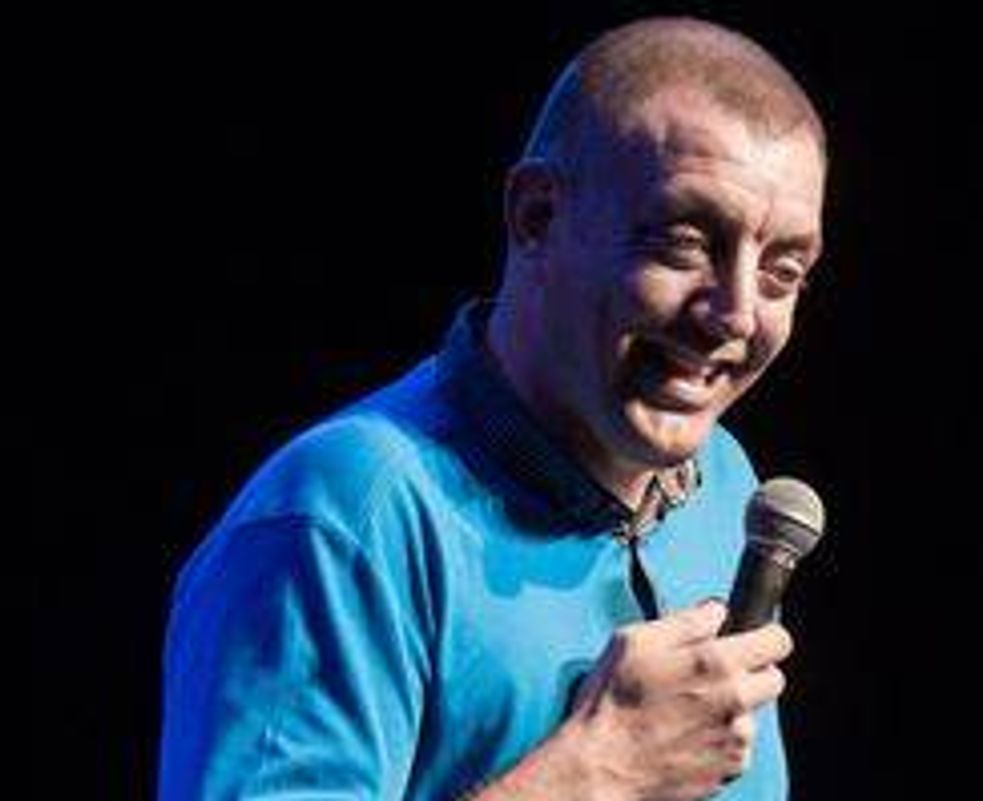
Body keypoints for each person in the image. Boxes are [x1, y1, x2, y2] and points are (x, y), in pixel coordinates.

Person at [158, 15, 828, 801]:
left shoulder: (726, 483)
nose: (737, 314)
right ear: (536, 215)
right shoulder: (347, 515)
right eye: (684, 242)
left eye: (783, 272)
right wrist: (595, 772)